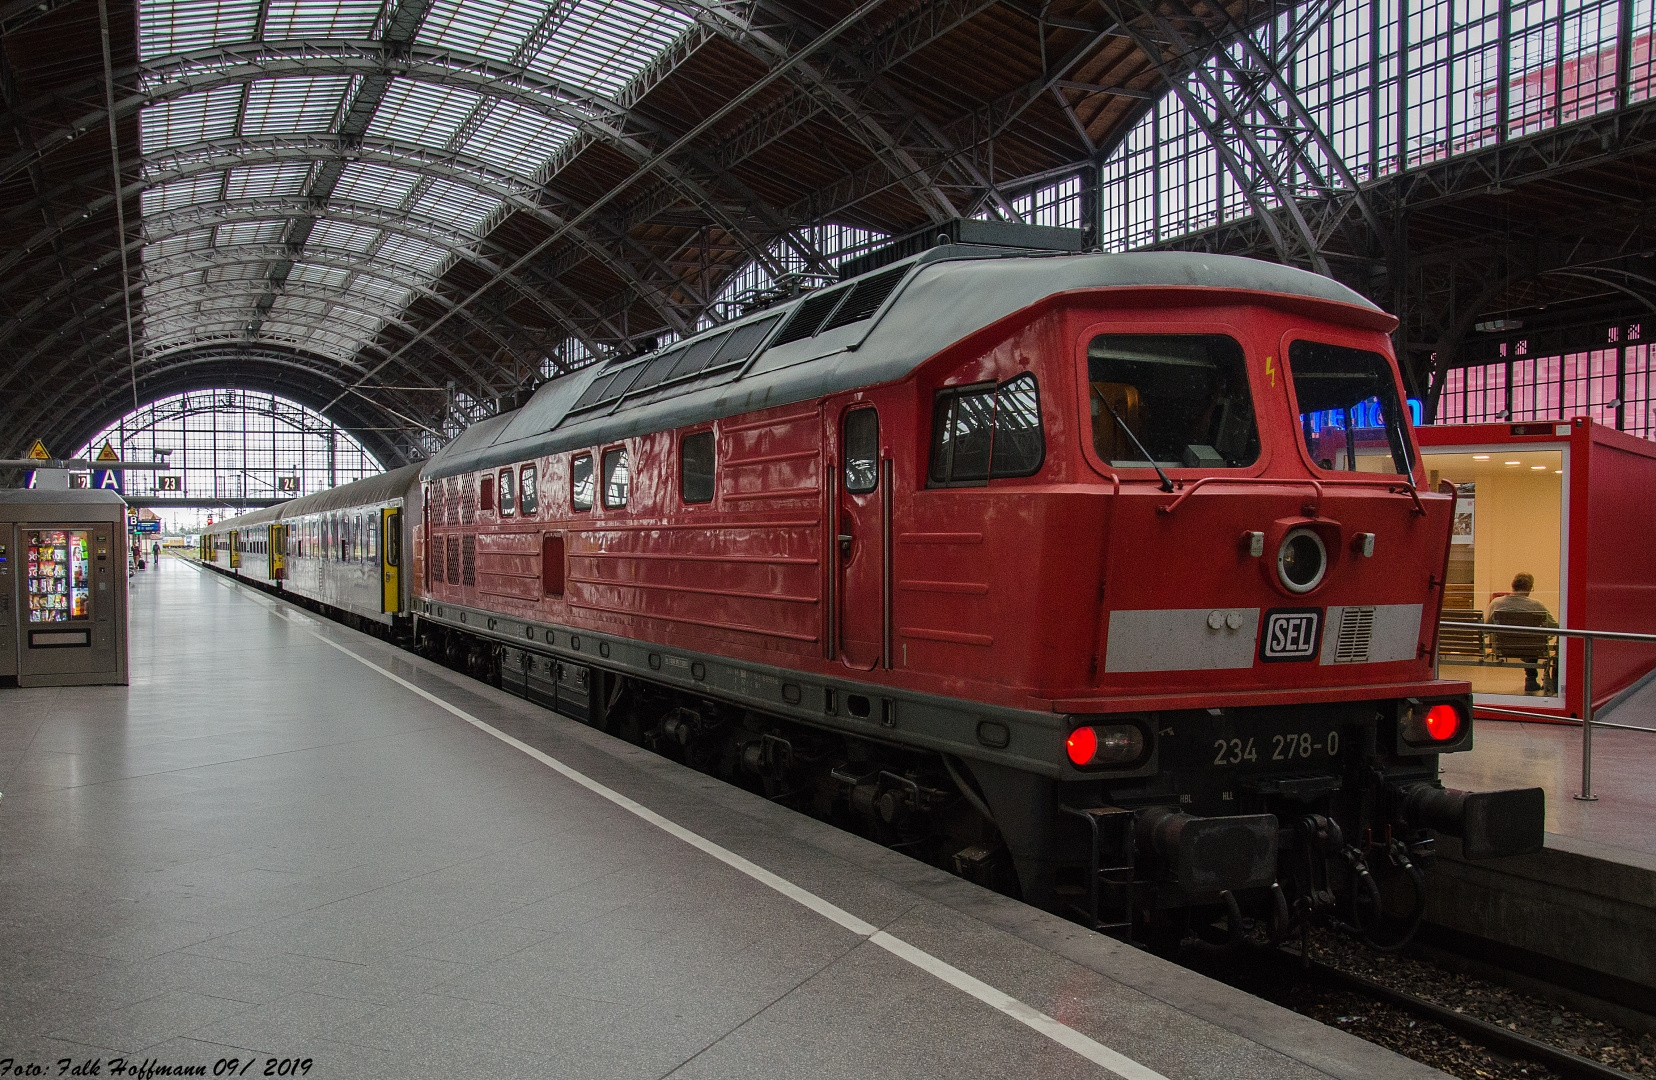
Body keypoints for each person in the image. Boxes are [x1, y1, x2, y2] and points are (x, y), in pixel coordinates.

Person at [1487, 572, 1558, 693]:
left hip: (1503, 647)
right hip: (1530, 647)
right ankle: (1533, 679)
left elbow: (1487, 626)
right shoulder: (1536, 605)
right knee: (1532, 641)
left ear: (1513, 585)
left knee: (1530, 641)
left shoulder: (1496, 603)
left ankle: (1531, 678)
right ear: (1530, 588)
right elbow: (1555, 626)